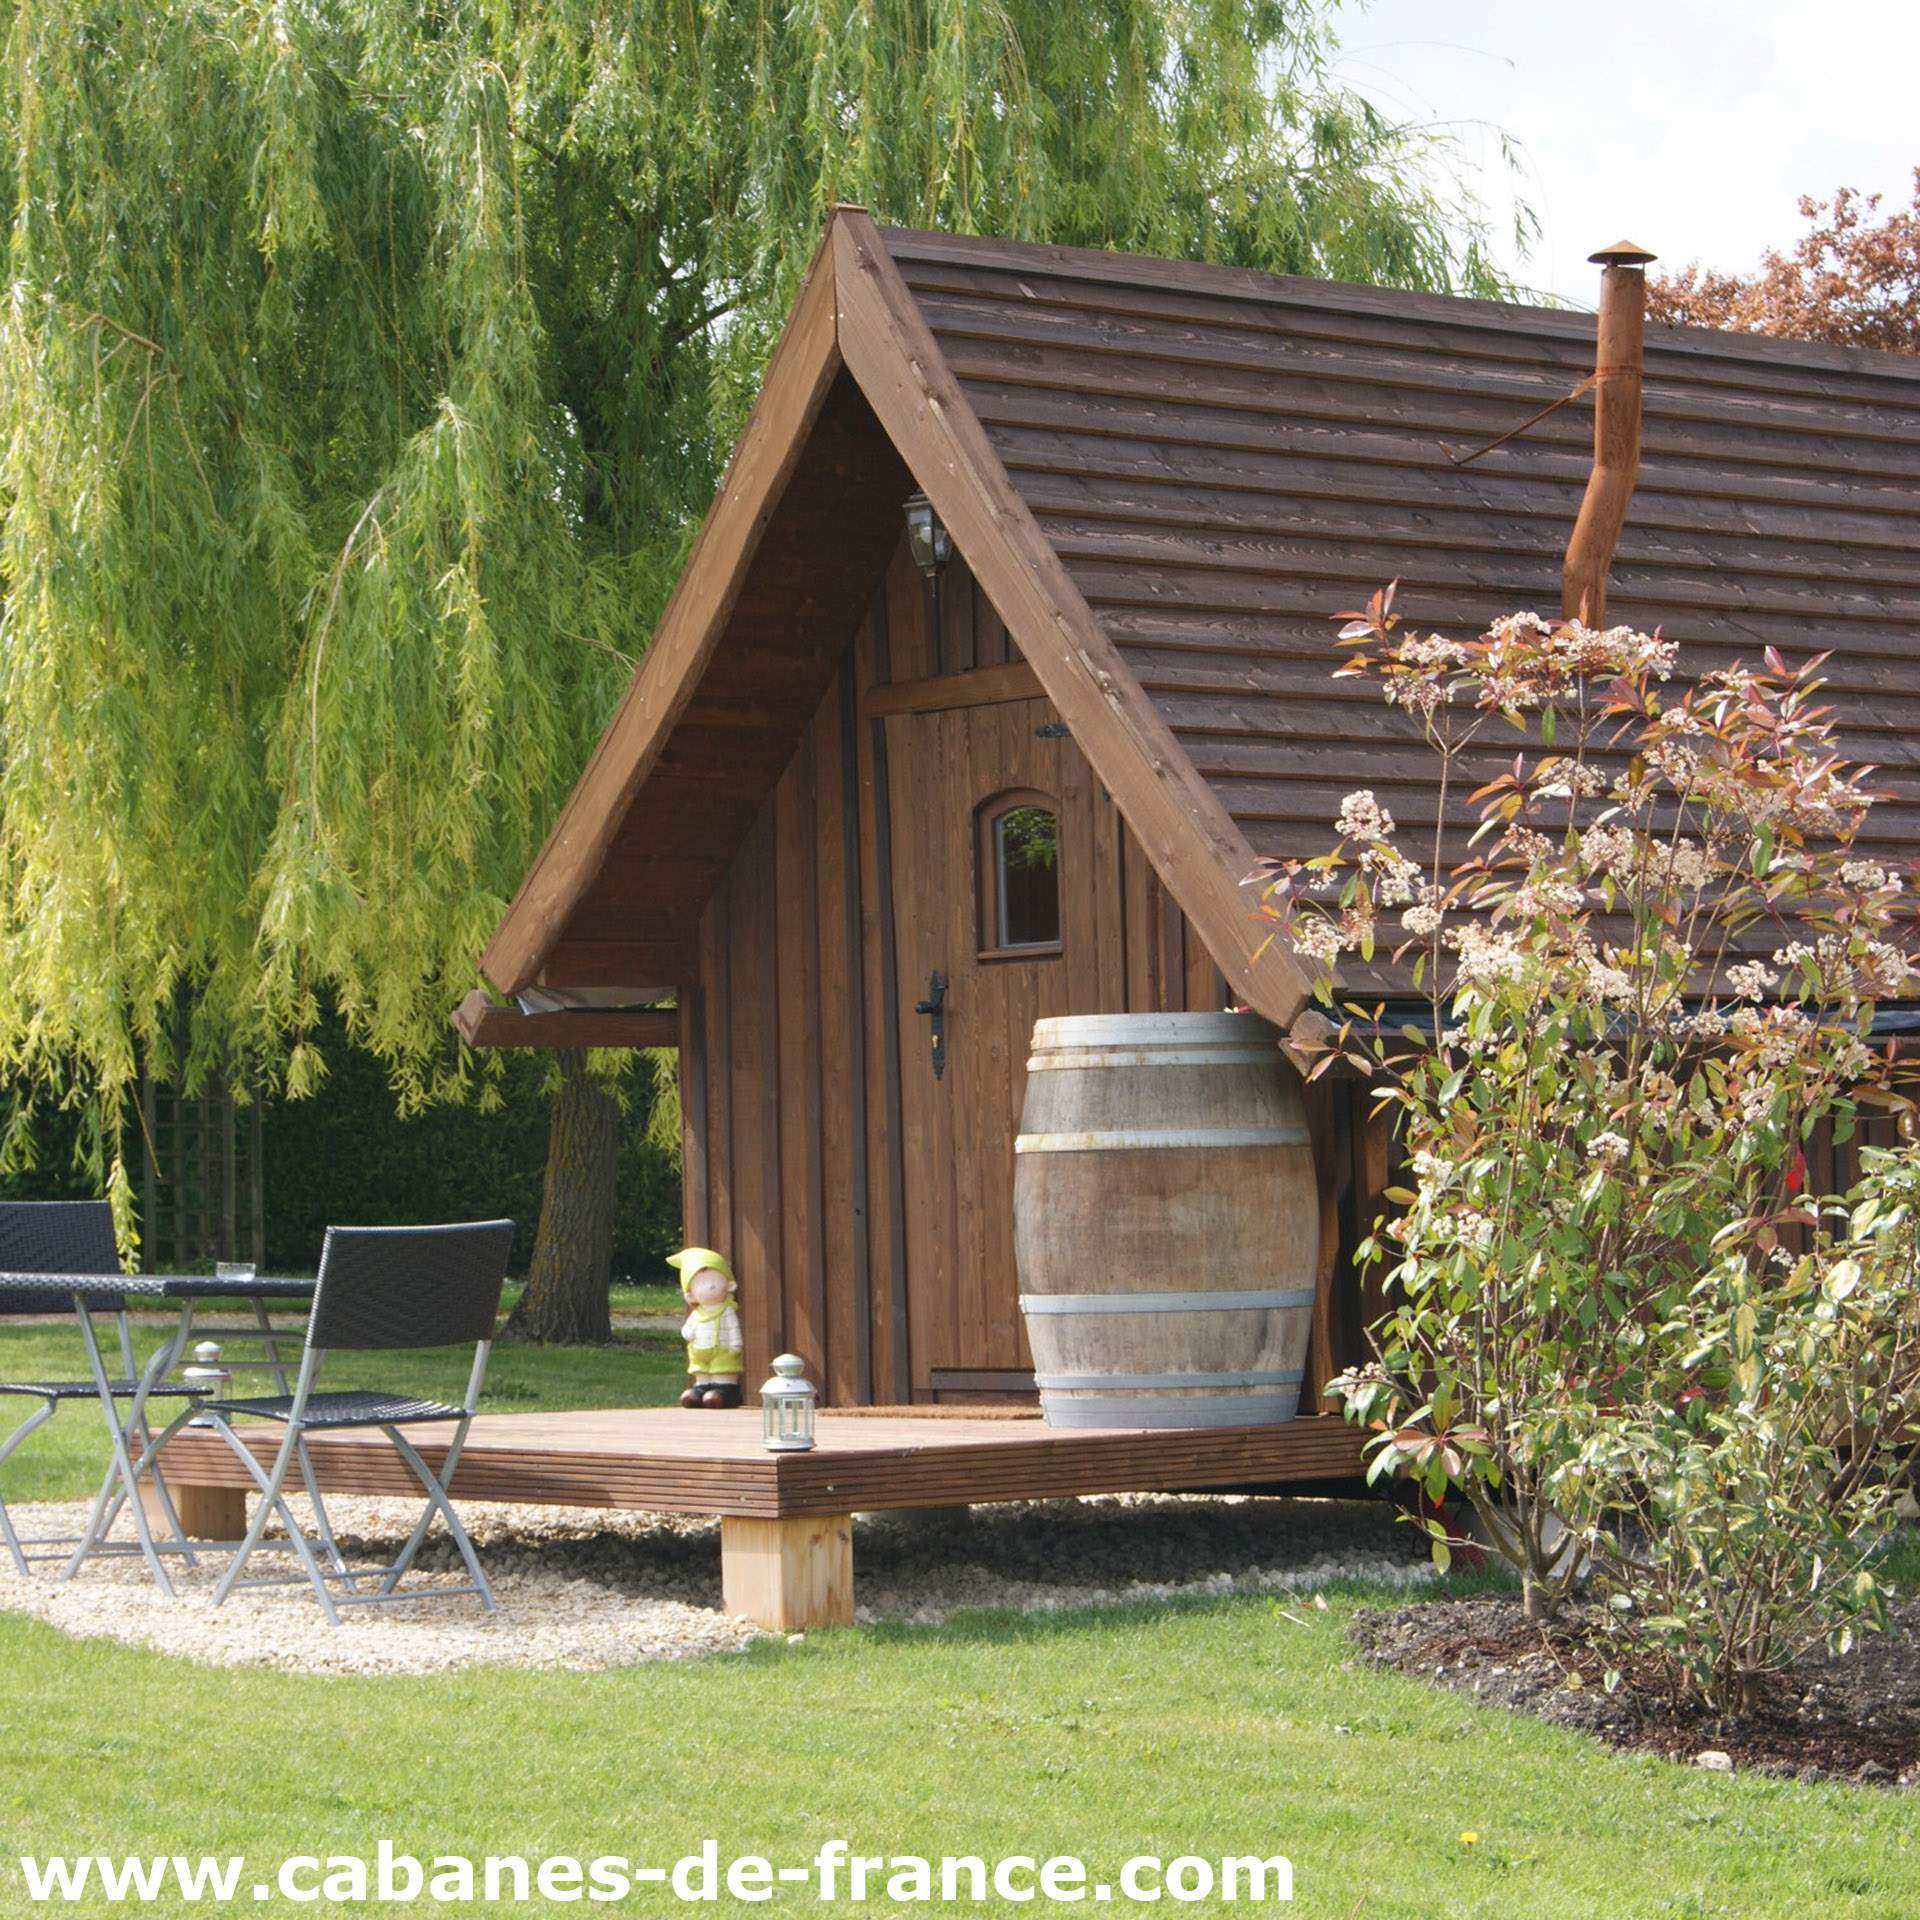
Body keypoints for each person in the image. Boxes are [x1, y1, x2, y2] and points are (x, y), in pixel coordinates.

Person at [667, 1247, 745, 1408]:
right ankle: (700, 1390)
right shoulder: (697, 1313)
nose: (710, 1287)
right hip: (699, 1352)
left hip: (723, 1351)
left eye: (714, 1281)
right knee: (702, 1373)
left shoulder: (726, 1310)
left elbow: (733, 1328)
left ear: (729, 1285)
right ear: (690, 1295)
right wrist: (687, 1333)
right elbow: (688, 1329)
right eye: (702, 1283)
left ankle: (725, 1392)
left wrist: (736, 1344)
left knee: (723, 1371)